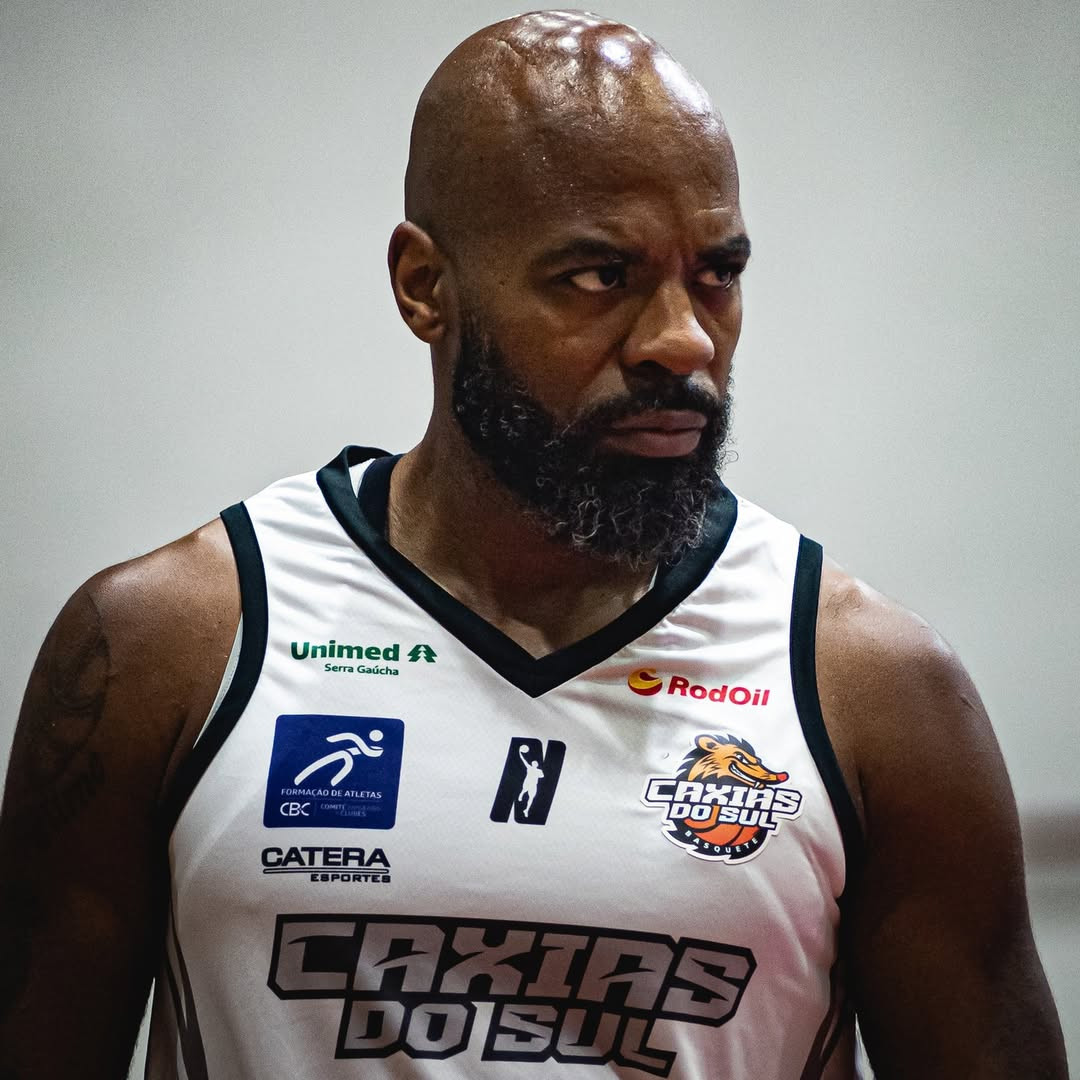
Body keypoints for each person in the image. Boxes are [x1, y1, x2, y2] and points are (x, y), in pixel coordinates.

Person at [0, 10, 1067, 1079]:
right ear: (426, 287)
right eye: (599, 277)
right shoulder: (169, 649)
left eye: (717, 274)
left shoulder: (875, 693)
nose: (683, 340)